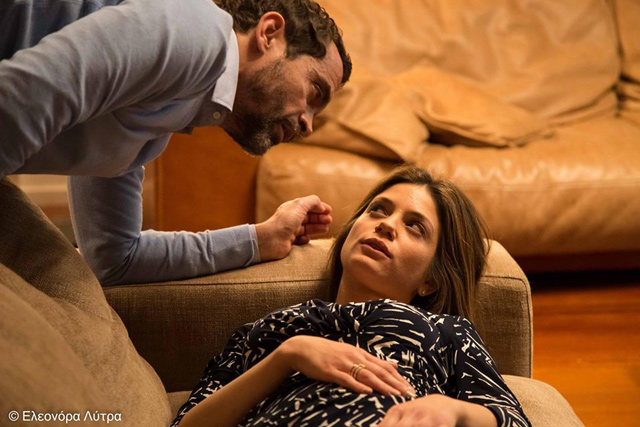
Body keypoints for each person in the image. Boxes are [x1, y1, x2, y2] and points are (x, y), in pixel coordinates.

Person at [0, 0, 351, 284]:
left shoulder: (160, 120)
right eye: (314, 91)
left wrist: (260, 240)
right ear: (269, 32)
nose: (308, 125)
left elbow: (115, 258)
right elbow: (16, 102)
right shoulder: (197, 31)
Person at [171, 166, 532, 427]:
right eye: (379, 209)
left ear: (431, 281)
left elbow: (511, 418)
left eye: (414, 226)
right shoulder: (272, 328)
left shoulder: (445, 331)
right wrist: (288, 356)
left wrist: (453, 410)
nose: (386, 224)